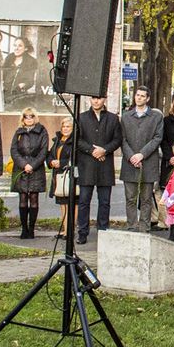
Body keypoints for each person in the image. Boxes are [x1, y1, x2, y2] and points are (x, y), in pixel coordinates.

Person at [75, 93, 123, 243]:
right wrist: (92, 151)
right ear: (90, 100)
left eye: (99, 98)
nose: (96, 101)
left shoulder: (113, 118)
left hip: (105, 165)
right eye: (94, 98)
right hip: (87, 165)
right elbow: (77, 140)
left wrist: (105, 150)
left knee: (104, 202)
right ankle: (82, 232)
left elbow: (117, 140)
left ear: (104, 99)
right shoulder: (81, 117)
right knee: (83, 201)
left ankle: (103, 231)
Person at [121, 87, 167, 232]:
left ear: (147, 99)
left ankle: (144, 227)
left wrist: (142, 154)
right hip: (129, 162)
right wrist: (131, 156)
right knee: (130, 198)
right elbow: (122, 139)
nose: (139, 98)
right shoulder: (126, 116)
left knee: (146, 198)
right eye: (137, 95)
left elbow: (158, 137)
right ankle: (132, 226)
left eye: (142, 96)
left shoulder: (156, 117)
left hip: (148, 162)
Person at [9, 108, 49, 238]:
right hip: (21, 168)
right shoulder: (19, 132)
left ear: (35, 117)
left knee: (34, 198)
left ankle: (31, 229)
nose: (29, 119)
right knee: (22, 198)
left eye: (31, 116)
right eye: (26, 116)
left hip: (36, 169)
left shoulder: (42, 131)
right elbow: (14, 150)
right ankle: (24, 229)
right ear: (23, 119)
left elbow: (44, 151)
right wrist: (23, 164)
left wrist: (32, 165)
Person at [48, 114, 78, 239]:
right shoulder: (57, 141)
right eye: (63, 126)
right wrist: (51, 162)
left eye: (68, 126)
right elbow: (50, 154)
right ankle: (65, 230)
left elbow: (76, 158)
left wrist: (62, 162)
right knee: (62, 203)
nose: (65, 129)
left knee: (73, 204)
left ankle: (71, 230)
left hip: (70, 175)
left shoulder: (75, 141)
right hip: (58, 175)